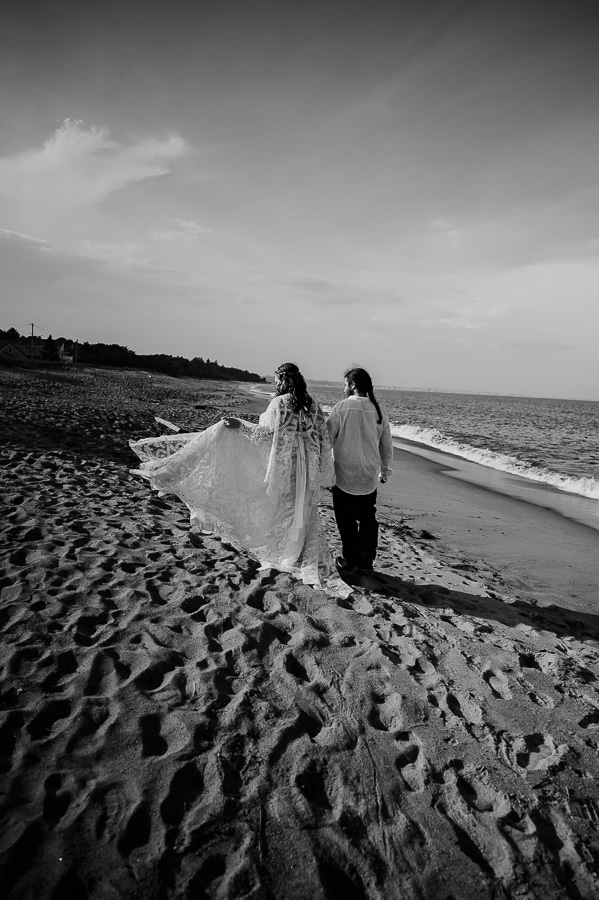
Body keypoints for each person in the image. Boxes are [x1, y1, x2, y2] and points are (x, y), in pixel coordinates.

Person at [130, 363, 343, 592]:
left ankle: (287, 554)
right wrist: (320, 467)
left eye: (275, 380)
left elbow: (265, 434)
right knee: (302, 509)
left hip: (287, 464)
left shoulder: (279, 403)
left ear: (282, 380)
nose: (274, 384)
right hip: (307, 466)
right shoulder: (313, 405)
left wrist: (240, 426)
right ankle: (296, 552)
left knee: (285, 506)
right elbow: (323, 439)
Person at [327, 367, 393, 575]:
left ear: (353, 385)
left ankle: (350, 560)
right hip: (368, 476)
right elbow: (386, 444)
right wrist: (385, 469)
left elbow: (327, 440)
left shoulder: (341, 408)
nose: (344, 388)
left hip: (344, 475)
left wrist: (322, 468)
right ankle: (366, 560)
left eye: (345, 384)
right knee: (367, 519)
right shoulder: (379, 410)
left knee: (345, 521)